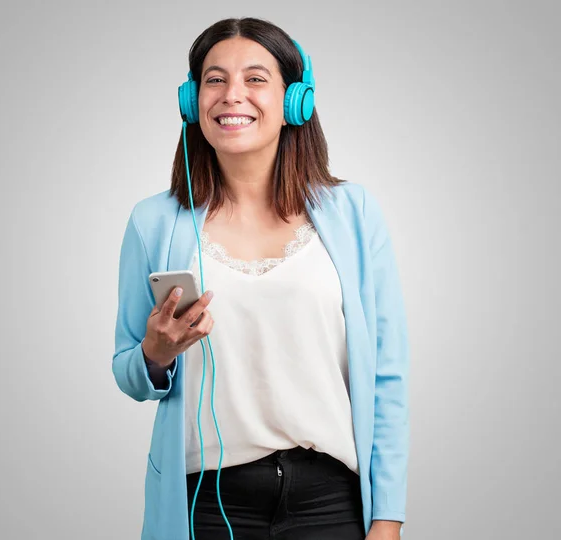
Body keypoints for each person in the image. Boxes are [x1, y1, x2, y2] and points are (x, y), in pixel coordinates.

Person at [112, 16, 410, 540]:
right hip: (205, 506)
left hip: (332, 502)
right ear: (191, 101)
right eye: (214, 79)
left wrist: (387, 518)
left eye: (255, 79)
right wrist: (155, 355)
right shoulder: (153, 222)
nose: (232, 96)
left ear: (295, 100)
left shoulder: (354, 213)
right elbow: (129, 373)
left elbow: (386, 376)